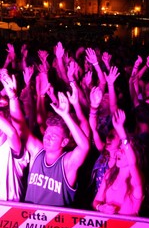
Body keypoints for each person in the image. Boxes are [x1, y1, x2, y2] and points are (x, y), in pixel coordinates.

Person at [3, 71, 90, 206]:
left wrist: (66, 115)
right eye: (47, 134)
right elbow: (21, 129)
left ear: (65, 141)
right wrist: (13, 98)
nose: (47, 138)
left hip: (56, 225)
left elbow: (84, 147)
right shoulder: (38, 151)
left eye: (53, 136)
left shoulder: (67, 163)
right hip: (27, 222)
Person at [93, 109, 144, 216]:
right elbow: (96, 201)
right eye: (119, 148)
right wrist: (100, 207)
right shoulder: (109, 174)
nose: (119, 152)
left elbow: (132, 163)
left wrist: (120, 129)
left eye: (123, 150)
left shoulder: (135, 181)